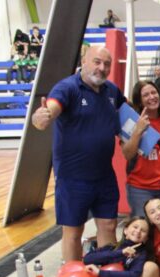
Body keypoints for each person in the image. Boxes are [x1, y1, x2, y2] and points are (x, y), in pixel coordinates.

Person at [32, 46, 126, 261]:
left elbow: (128, 113)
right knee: (74, 232)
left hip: (104, 175)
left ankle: (107, 276)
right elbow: (52, 107)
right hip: (73, 178)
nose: (102, 68)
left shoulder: (112, 91)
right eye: (97, 62)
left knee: (109, 225)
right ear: (84, 61)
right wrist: (43, 115)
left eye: (107, 64)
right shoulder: (68, 88)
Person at [123, 81, 160, 217]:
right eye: (146, 95)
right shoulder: (131, 121)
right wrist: (138, 130)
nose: (152, 97)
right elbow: (128, 154)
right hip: (140, 188)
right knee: (142, 230)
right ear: (139, 101)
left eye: (154, 92)